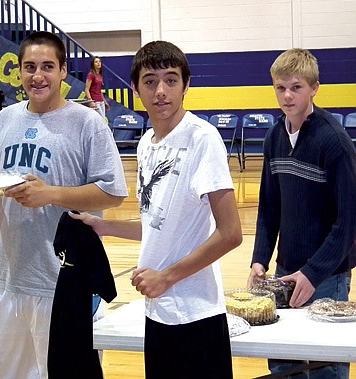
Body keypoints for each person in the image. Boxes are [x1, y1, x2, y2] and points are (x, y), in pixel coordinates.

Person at [71, 40, 243, 379]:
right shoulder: (146, 144)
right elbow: (157, 222)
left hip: (196, 314)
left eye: (170, 80)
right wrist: (104, 226)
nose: (160, 91)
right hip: (158, 312)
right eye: (150, 81)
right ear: (135, 88)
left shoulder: (202, 139)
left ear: (186, 85)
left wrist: (166, 277)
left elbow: (230, 234)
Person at [0, 31, 128, 379]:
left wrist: (52, 193)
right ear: (19, 72)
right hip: (9, 276)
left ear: (62, 71)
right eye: (29, 67)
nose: (37, 76)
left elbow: (113, 192)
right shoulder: (5, 119)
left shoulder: (87, 123)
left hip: (64, 280)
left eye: (47, 67)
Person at [248, 48, 356, 379]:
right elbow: (269, 208)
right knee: (284, 365)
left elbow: (348, 224)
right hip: (283, 273)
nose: (287, 95)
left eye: (296, 87)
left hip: (327, 277)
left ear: (314, 88)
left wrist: (312, 274)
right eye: (280, 88)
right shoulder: (273, 137)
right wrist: (259, 260)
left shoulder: (335, 141)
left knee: (327, 369)